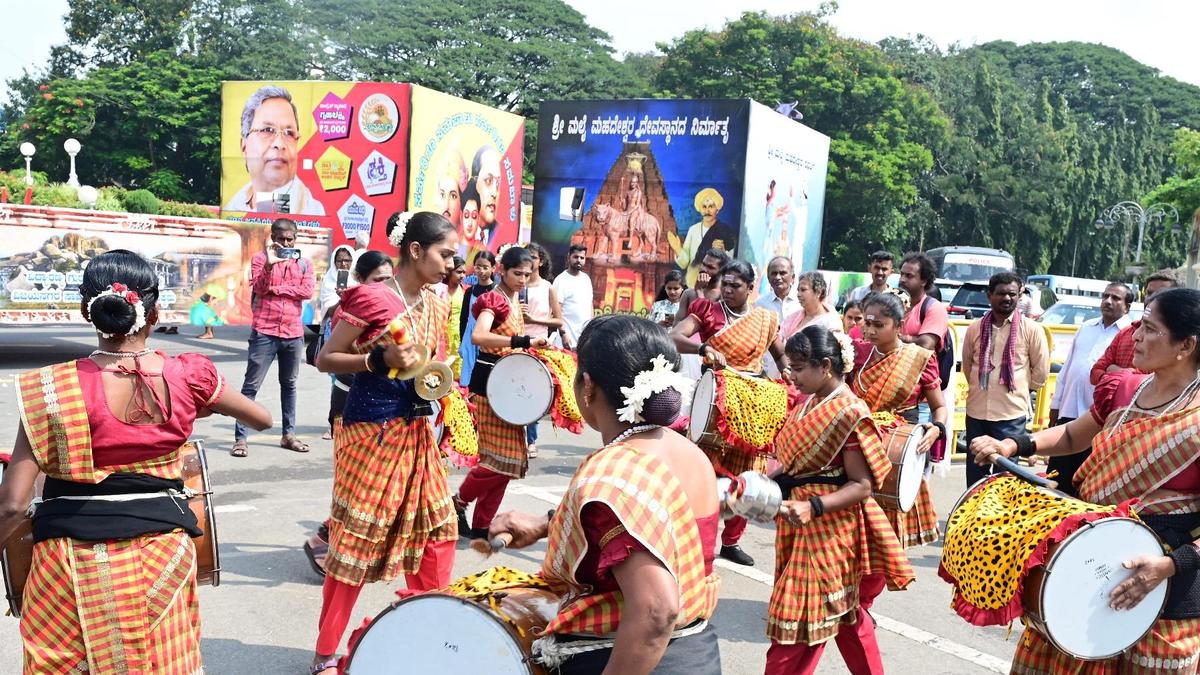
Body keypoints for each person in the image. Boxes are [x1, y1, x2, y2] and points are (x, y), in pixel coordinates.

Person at [0, 250, 271, 673]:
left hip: (68, 566)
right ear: (155, 310)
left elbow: (13, 505)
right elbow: (262, 419)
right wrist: (195, 404)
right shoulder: (188, 374)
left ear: (85, 310)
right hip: (161, 558)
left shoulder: (49, 388)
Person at [970, 287, 1200, 674]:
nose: (1135, 337)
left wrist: (1169, 564)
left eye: (1148, 329)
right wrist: (1015, 443)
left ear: (1186, 345)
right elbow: (1076, 434)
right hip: (1086, 567)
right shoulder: (1126, 387)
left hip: (1166, 588)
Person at [488, 315, 722, 674]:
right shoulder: (687, 452)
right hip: (697, 652)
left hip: (630, 659)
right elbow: (644, 521)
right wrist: (545, 523)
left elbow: (656, 610)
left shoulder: (612, 474)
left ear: (587, 386)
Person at [310, 211, 459, 674]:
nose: (452, 263)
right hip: (372, 430)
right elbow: (324, 358)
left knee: (439, 533)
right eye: (445, 253)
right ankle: (325, 653)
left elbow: (429, 367)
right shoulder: (371, 297)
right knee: (355, 545)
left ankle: (427, 633)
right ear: (415, 250)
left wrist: (443, 389)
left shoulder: (437, 302)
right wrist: (377, 359)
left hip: (416, 430)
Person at [765, 326, 915, 674]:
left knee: (798, 624)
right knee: (845, 613)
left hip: (829, 529)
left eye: (800, 368)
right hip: (800, 523)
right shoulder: (811, 402)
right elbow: (798, 468)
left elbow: (862, 486)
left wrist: (813, 506)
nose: (792, 375)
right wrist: (762, 486)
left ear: (826, 365)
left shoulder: (849, 412)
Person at [672, 259, 788, 566]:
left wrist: (790, 374)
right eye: (725, 284)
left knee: (749, 474)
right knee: (707, 471)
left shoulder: (765, 319)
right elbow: (675, 336)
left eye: (735, 286)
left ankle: (732, 541)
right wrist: (702, 349)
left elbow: (780, 356)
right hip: (717, 400)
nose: (727, 290)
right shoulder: (707, 310)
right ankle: (697, 535)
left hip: (754, 401)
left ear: (751, 289)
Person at [453, 247, 551, 539]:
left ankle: (482, 524)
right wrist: (523, 341)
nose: (522, 279)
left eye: (527, 273)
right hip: (490, 388)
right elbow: (478, 336)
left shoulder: (513, 298)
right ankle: (457, 503)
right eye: (517, 273)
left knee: (507, 464)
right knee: (497, 460)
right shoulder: (494, 299)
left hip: (508, 388)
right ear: (501, 270)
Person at [850, 291, 949, 548]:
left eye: (879, 325)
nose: (870, 331)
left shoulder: (918, 359)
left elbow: (939, 407)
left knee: (882, 540)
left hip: (894, 453)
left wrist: (937, 428)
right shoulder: (855, 354)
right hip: (854, 449)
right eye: (866, 323)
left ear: (899, 325)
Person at [231, 218, 316, 458]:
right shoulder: (261, 260)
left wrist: (278, 290)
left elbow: (307, 292)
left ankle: (288, 435)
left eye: (290, 239)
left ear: (296, 239)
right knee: (251, 386)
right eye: (281, 239)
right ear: (273, 238)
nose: (285, 243)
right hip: (264, 332)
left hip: (293, 333)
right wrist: (270, 266)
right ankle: (241, 439)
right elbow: (258, 288)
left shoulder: (305, 265)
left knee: (289, 385)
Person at [961, 272, 1050, 486]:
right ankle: (974, 518)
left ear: (1020, 296)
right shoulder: (975, 328)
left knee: (1007, 477)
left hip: (1010, 416)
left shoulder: (1031, 329)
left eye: (1012, 294)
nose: (1007, 298)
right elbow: (968, 366)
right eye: (1001, 293)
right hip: (977, 413)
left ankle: (1002, 519)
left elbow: (1041, 372)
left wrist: (1019, 389)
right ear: (989, 295)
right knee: (975, 475)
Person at [1047, 281, 1132, 495]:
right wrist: (1056, 405)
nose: (1108, 301)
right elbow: (1067, 370)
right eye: (1105, 296)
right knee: (1056, 478)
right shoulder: (1086, 328)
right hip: (1069, 412)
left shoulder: (1130, 335)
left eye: (1115, 298)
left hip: (1099, 421)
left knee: (1084, 482)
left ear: (1127, 306)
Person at [223, 85, 326, 215]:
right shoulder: (234, 204)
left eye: (289, 133)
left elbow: (271, 223)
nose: (279, 143)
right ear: (244, 146)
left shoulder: (310, 210)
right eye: (267, 130)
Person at [1090, 271, 1180, 385]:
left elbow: (1155, 383)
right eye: (1149, 293)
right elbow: (1095, 373)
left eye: (1160, 294)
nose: (1152, 299)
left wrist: (1115, 371)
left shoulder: (1176, 341)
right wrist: (1131, 375)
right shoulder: (1126, 333)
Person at [523, 243, 565, 458]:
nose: (530, 261)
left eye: (533, 257)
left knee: (532, 394)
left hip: (538, 345)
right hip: (515, 343)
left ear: (541, 261)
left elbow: (558, 320)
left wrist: (533, 319)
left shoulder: (547, 287)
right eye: (526, 256)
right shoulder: (517, 285)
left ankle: (531, 440)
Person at [674, 248, 731, 380]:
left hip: (714, 358)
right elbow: (676, 327)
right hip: (688, 355)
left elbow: (710, 327)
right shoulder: (689, 294)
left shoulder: (724, 297)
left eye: (710, 267)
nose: (704, 269)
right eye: (703, 264)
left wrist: (700, 292)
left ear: (721, 271)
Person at [671, 188, 738, 288]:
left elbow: (731, 262)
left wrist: (723, 250)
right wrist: (677, 249)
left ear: (717, 209)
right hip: (693, 282)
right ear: (699, 209)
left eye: (711, 206)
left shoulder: (725, 231)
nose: (707, 210)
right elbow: (684, 262)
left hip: (715, 284)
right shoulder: (693, 230)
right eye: (704, 207)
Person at [458, 250, 496, 383]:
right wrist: (463, 340)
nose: (481, 271)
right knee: (467, 375)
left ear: (493, 268)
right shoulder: (470, 291)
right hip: (470, 337)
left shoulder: (496, 291)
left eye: (485, 267)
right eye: (478, 267)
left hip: (488, 338)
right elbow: (463, 318)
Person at [552, 243, 593, 350]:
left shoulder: (586, 279)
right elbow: (557, 311)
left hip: (584, 339)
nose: (579, 260)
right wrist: (563, 334)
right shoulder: (560, 280)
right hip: (566, 340)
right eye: (575, 257)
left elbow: (590, 305)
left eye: (582, 258)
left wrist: (591, 329)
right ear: (568, 257)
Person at [782, 271, 843, 338]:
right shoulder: (793, 317)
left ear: (818, 292)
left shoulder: (831, 322)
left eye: (803, 290)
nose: (798, 294)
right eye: (798, 290)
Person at [755, 256, 802, 326]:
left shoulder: (802, 301)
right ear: (768, 278)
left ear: (793, 277)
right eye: (774, 273)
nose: (777, 277)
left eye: (783, 273)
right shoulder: (760, 304)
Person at [471, 146, 502, 245]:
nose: (494, 193)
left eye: (498, 183)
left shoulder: (502, 233)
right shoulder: (459, 231)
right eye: (488, 181)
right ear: (474, 182)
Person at [443, 256, 467, 381]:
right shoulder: (438, 289)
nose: (462, 276)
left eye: (464, 272)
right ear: (449, 271)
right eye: (458, 272)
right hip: (441, 335)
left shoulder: (465, 290)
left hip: (458, 335)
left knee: (457, 366)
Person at [318, 245, 356, 321]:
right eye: (339, 261)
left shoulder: (358, 279)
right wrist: (343, 299)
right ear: (334, 262)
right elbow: (329, 312)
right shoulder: (328, 281)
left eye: (347, 260)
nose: (343, 264)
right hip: (333, 324)